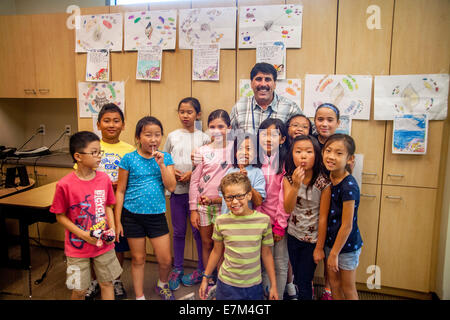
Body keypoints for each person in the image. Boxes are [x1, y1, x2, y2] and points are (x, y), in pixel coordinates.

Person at [50, 131, 122, 300]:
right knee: (79, 290)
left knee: (107, 283)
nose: (99, 157)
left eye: (100, 152)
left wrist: (111, 228)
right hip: (77, 248)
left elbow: (108, 206)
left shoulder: (104, 179)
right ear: (78, 156)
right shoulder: (64, 185)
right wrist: (83, 235)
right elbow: (59, 216)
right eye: (94, 152)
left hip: (104, 245)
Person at [114, 116, 177, 300]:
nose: (153, 139)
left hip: (156, 216)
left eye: (157, 135)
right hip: (131, 216)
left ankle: (162, 284)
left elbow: (172, 187)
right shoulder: (128, 159)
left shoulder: (165, 157)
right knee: (138, 259)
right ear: (138, 136)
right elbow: (120, 190)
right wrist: (117, 221)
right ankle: (139, 296)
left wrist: (162, 165)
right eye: (148, 134)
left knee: (165, 260)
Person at [82, 103, 134, 300]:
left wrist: (119, 184)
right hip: (94, 207)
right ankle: (96, 281)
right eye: (106, 121)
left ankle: (115, 280)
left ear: (123, 125)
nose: (111, 125)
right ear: (98, 124)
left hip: (119, 207)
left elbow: (133, 178)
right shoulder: (90, 148)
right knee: (96, 244)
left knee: (116, 244)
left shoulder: (129, 150)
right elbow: (81, 176)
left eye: (116, 121)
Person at [199, 172, 278, 300]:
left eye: (240, 196)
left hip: (254, 285)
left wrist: (274, 285)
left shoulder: (264, 221)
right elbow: (216, 252)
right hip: (227, 285)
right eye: (229, 197)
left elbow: (267, 254)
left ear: (249, 195)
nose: (235, 202)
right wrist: (205, 278)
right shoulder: (221, 221)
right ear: (224, 199)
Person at [163, 97, 210, 291]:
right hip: (177, 192)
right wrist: (171, 171)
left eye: (189, 112)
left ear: (198, 114)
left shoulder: (204, 137)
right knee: (179, 231)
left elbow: (208, 164)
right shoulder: (173, 136)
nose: (185, 115)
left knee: (200, 233)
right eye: (182, 111)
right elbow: (166, 159)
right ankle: (178, 268)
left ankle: (201, 268)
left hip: (198, 194)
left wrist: (193, 173)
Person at [188, 109, 232, 295]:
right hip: (204, 207)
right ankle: (209, 276)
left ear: (229, 128)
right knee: (207, 243)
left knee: (222, 245)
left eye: (221, 126)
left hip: (226, 206)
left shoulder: (235, 149)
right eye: (212, 127)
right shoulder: (201, 151)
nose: (216, 131)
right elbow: (194, 181)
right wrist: (193, 210)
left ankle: (221, 280)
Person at [283, 135, 331, 300]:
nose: (303, 156)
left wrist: (319, 247)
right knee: (298, 277)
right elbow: (288, 208)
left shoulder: (323, 182)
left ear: (317, 155)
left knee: (304, 280)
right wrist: (296, 185)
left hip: (312, 241)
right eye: (298, 151)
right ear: (292, 155)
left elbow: (324, 218)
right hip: (293, 236)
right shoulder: (288, 179)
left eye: (309, 151)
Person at [322, 134, 363, 300]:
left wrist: (334, 254)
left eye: (339, 153)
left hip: (346, 247)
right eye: (328, 151)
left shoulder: (349, 186)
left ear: (349, 158)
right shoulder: (330, 176)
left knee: (348, 288)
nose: (331, 156)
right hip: (330, 243)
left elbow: (347, 225)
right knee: (334, 284)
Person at [256, 118, 290, 300]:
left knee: (279, 263)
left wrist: (279, 225)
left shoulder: (285, 162)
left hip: (279, 223)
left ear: (283, 139)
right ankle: (264, 295)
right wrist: (261, 220)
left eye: (273, 135)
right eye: (264, 135)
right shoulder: (256, 161)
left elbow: (284, 197)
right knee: (261, 261)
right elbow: (256, 194)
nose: (268, 139)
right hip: (260, 221)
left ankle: (277, 295)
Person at [313, 103, 340, 299]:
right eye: (320, 119)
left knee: (330, 246)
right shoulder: (310, 141)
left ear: (337, 123)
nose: (324, 124)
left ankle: (329, 288)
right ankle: (310, 284)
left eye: (330, 120)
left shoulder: (342, 143)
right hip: (311, 200)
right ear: (314, 121)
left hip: (335, 200)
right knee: (313, 245)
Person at [230, 62, 302, 134]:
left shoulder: (290, 108)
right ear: (251, 84)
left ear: (275, 84)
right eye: (258, 79)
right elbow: (230, 138)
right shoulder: (239, 107)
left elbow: (307, 133)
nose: (263, 84)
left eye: (267, 79)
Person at [219, 134, 266, 215]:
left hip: (245, 221)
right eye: (240, 148)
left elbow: (258, 202)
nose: (244, 152)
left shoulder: (257, 173)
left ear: (256, 154)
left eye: (248, 149)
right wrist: (211, 201)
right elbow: (223, 197)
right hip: (226, 219)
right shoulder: (229, 171)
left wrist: (245, 180)